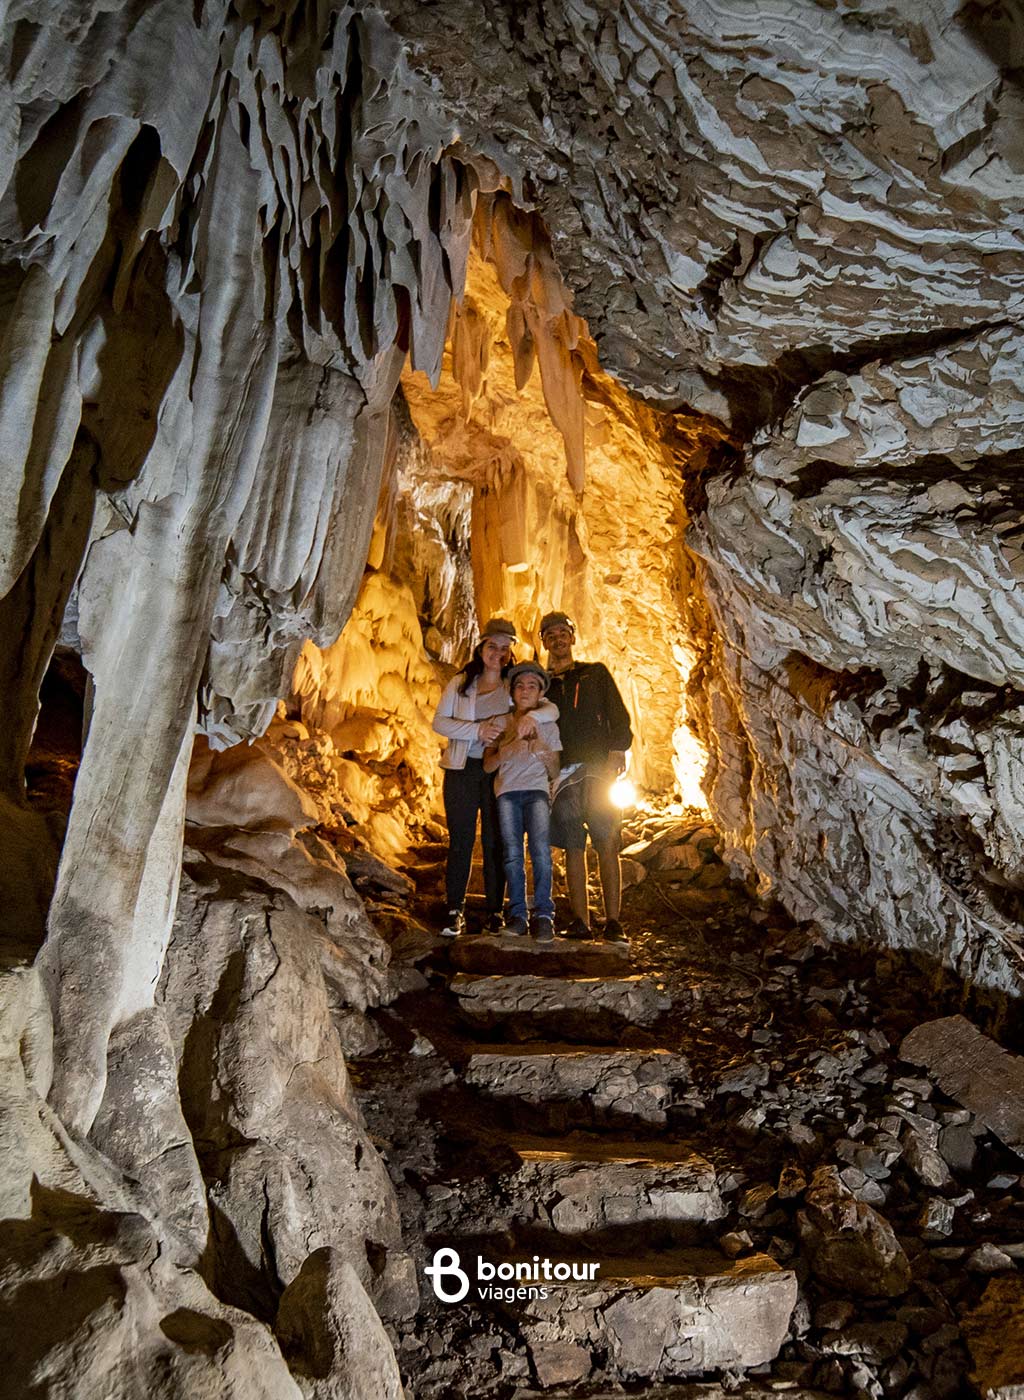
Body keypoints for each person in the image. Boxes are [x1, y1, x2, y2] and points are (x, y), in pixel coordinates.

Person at [540, 611, 632, 942]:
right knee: (572, 845)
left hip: (596, 767)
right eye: (550, 635)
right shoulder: (541, 684)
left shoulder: (596, 674)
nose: (558, 639)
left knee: (606, 839)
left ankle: (613, 921)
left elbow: (618, 714)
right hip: (563, 774)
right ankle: (581, 920)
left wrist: (618, 750)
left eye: (563, 632)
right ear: (544, 643)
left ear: (573, 637)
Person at [431, 618, 516, 936]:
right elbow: (440, 722)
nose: (498, 653)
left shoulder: (514, 684)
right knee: (461, 842)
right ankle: (455, 910)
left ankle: (496, 911)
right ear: (481, 648)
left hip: (499, 771)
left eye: (505, 648)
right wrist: (476, 730)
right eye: (493, 646)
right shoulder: (461, 683)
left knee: (496, 841)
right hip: (462, 770)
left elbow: (531, 715)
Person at [483, 662, 561, 941]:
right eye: (520, 685)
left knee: (540, 851)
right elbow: (488, 766)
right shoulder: (501, 723)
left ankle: (543, 916)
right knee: (513, 854)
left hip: (537, 790)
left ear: (541, 692)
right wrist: (507, 749)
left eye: (532, 686)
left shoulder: (548, 724)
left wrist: (543, 751)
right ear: (512, 692)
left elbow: (555, 770)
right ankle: (517, 916)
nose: (525, 690)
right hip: (507, 793)